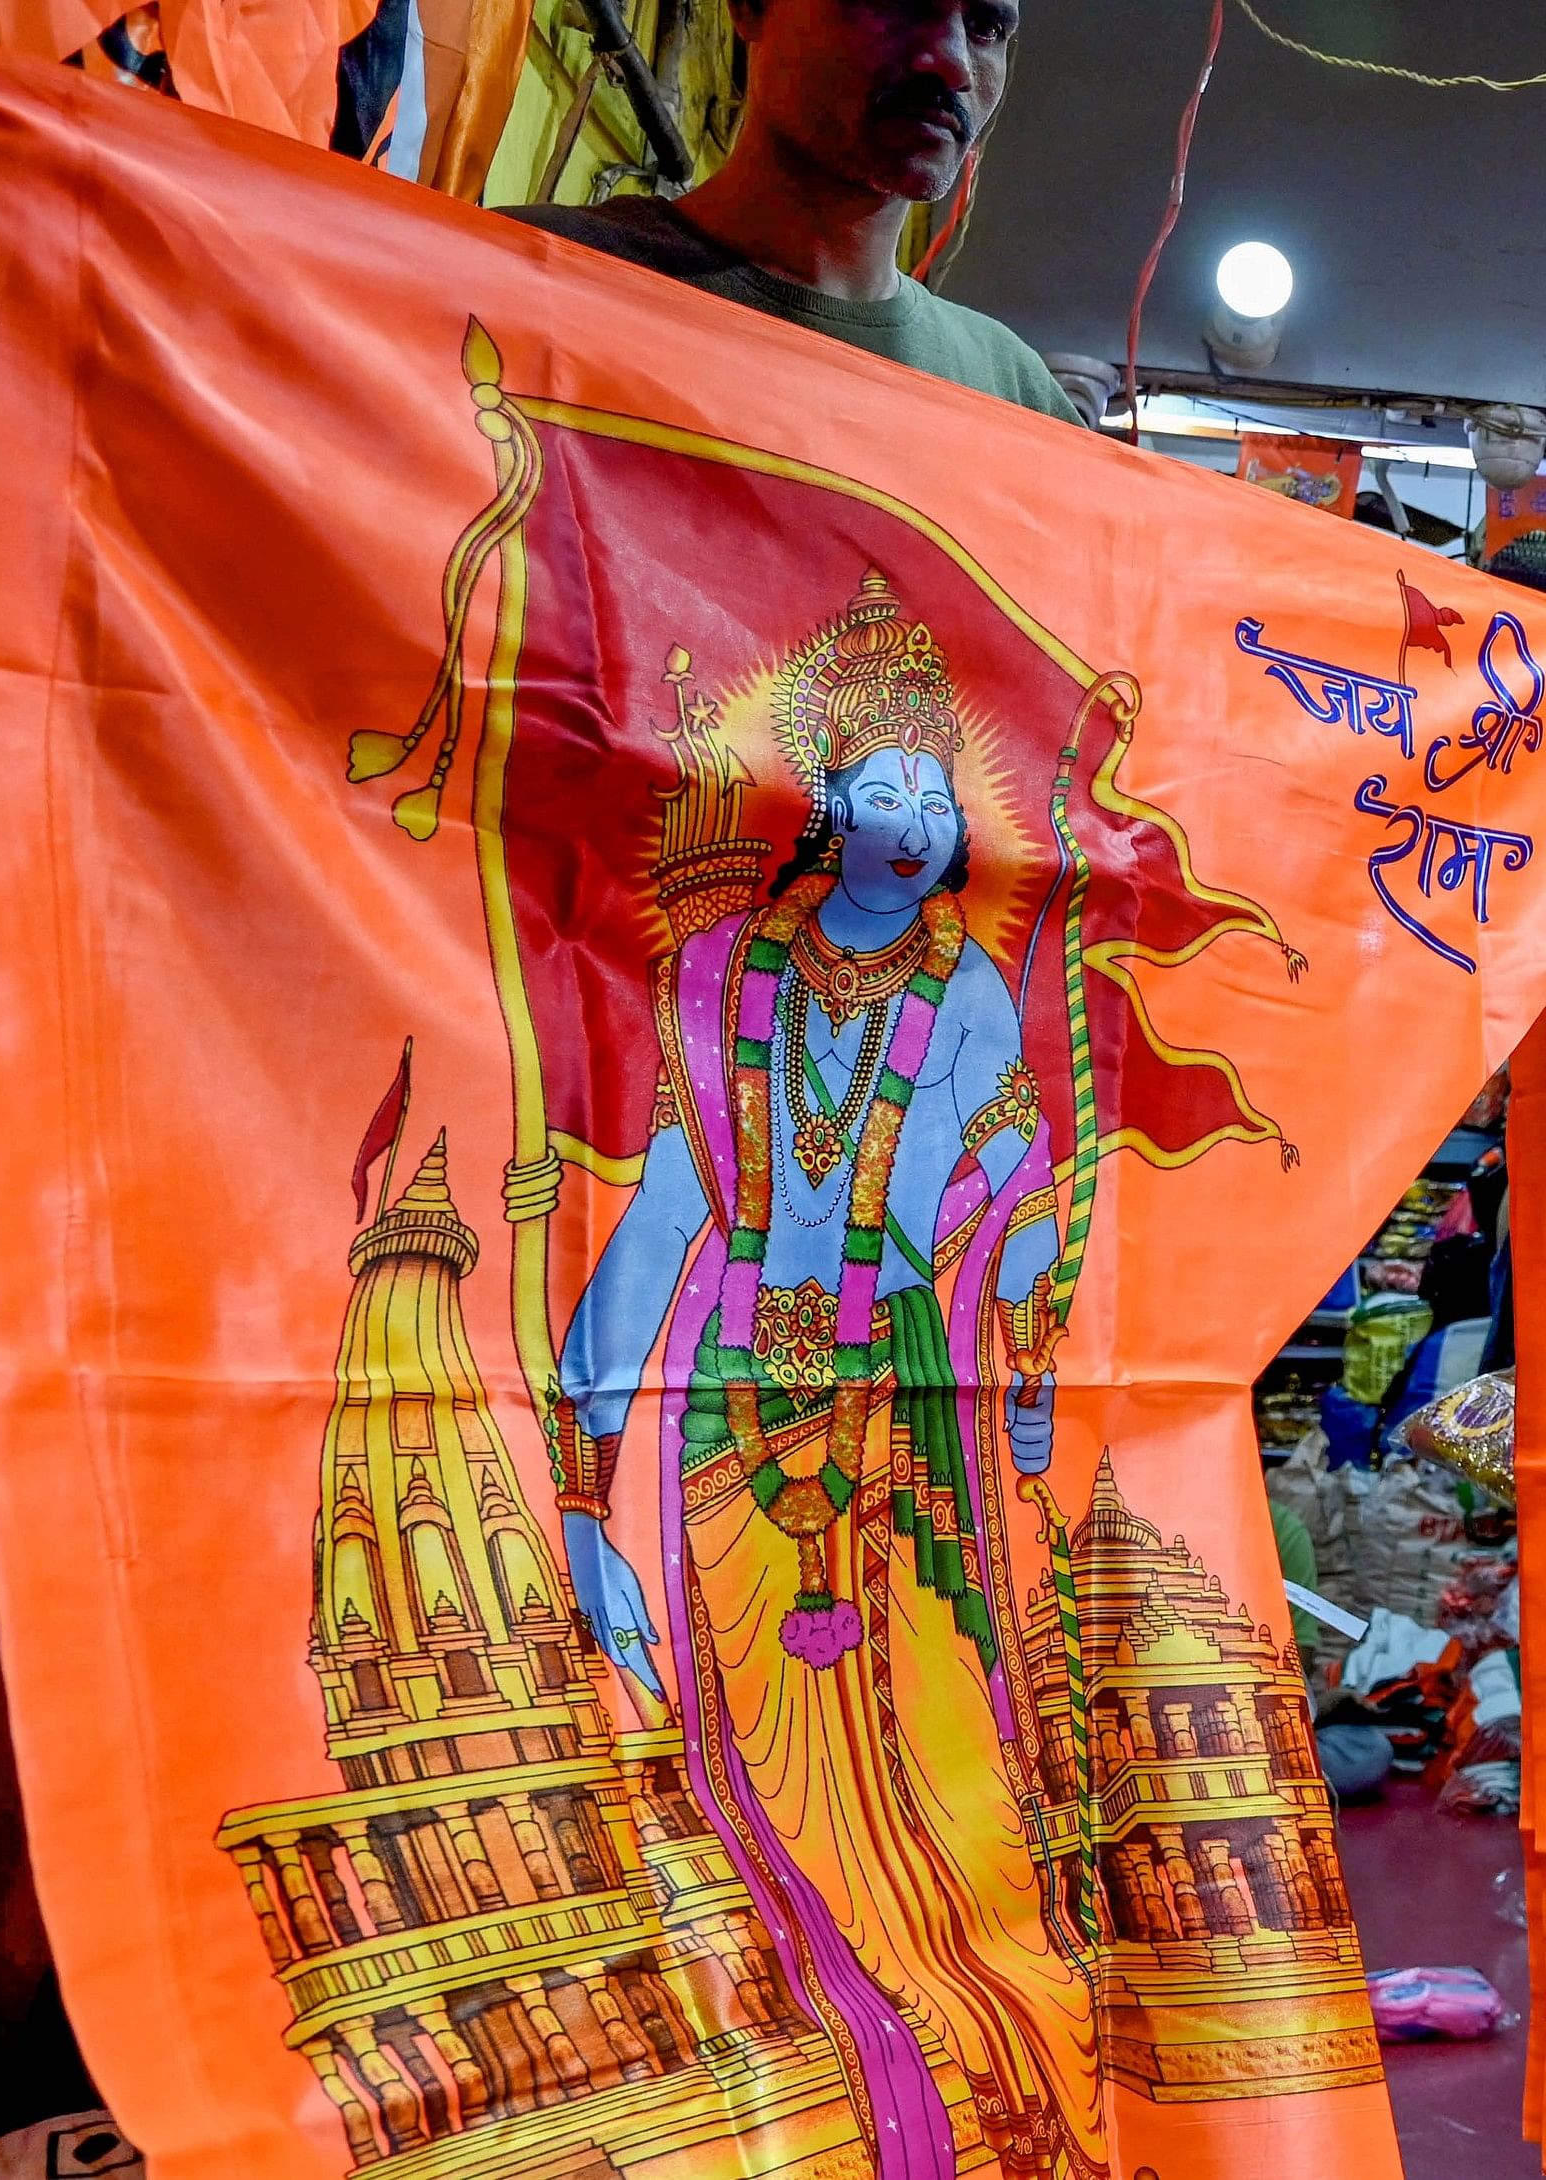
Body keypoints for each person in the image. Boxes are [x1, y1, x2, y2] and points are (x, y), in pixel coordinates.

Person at [546, 572, 1098, 2180]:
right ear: (825, 805)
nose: (917, 823)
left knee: (947, 1746)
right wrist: (588, 1432)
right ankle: (818, 2108)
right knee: (758, 1777)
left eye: (940, 793)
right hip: (731, 1387)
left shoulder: (972, 987)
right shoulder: (721, 976)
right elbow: (671, 1188)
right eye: (884, 791)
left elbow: (1001, 1174)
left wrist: (1025, 1270)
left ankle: (984, 2084)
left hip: (906, 1392)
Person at [502, 0, 1074, 421]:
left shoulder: (1015, 397)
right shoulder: (515, 287)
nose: (951, 62)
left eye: (986, 27)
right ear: (751, 6)